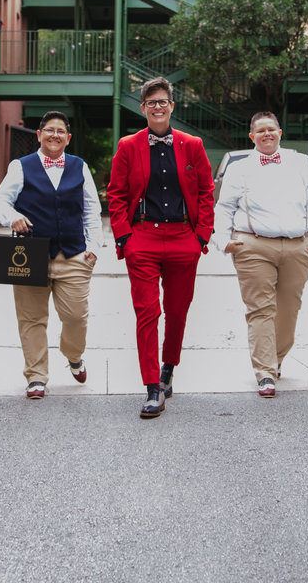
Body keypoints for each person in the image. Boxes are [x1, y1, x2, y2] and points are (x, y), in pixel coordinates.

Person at [107, 76, 214, 419]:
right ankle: (152, 387)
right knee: (147, 313)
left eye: (162, 101)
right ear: (143, 108)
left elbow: (205, 192)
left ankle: (169, 369)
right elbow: (117, 193)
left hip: (184, 238)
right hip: (144, 239)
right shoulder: (128, 146)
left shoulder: (192, 145)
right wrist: (125, 238)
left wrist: (202, 237)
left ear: (171, 106)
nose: (157, 107)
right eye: (150, 102)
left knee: (178, 311)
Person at [213, 112, 308, 397]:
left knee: (289, 309)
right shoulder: (240, 168)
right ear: (252, 136)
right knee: (261, 310)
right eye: (260, 131)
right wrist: (222, 240)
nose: (267, 134)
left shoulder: (300, 163)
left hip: (298, 246)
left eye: (271, 130)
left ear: (280, 132)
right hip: (253, 246)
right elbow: (224, 206)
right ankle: (264, 371)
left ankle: (276, 358)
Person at [0, 111, 104, 400]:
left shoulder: (79, 167)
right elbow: (0, 201)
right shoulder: (20, 166)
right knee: (31, 319)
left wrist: (93, 248)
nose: (54, 135)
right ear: (39, 134)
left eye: (60, 131)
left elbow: (92, 210)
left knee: (76, 317)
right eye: (49, 130)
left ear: (68, 138)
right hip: (29, 253)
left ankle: (73, 354)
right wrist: (13, 216)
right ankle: (36, 376)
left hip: (74, 254)